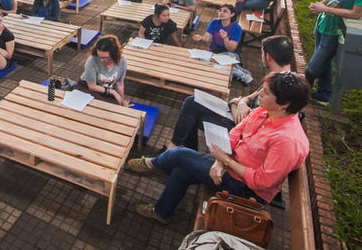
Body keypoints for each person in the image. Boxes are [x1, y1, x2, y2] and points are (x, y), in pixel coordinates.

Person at [129, 71, 310, 224]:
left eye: (267, 92)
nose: (260, 94)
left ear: (284, 104)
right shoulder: (265, 111)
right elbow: (236, 132)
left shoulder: (288, 141)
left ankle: (152, 163)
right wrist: (221, 161)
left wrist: (225, 161)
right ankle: (161, 213)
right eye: (262, 88)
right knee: (181, 170)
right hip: (231, 165)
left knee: (179, 155)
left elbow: (261, 181)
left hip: (246, 189)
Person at [167, 35, 294, 151]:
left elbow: (253, 123)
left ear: (268, 57)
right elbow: (250, 98)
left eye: (261, 53)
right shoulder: (280, 77)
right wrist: (242, 102)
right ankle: (179, 149)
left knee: (193, 113)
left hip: (243, 129)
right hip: (240, 114)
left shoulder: (281, 87)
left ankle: (177, 150)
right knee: (192, 101)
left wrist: (235, 105)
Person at [193, 4, 252, 85]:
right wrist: (201, 38)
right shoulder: (214, 22)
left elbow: (231, 48)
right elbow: (206, 39)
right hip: (214, 52)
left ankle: (242, 75)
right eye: (220, 10)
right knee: (200, 60)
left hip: (230, 54)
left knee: (215, 63)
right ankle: (238, 69)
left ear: (232, 14)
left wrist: (225, 38)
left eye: (225, 11)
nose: (221, 13)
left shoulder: (237, 28)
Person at [77, 35, 129, 106]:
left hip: (105, 89)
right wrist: (113, 92)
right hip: (87, 87)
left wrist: (122, 101)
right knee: (101, 106)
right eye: (100, 57)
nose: (101, 60)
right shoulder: (92, 60)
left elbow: (119, 84)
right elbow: (92, 86)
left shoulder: (123, 61)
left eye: (106, 57)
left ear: (114, 55)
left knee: (116, 104)